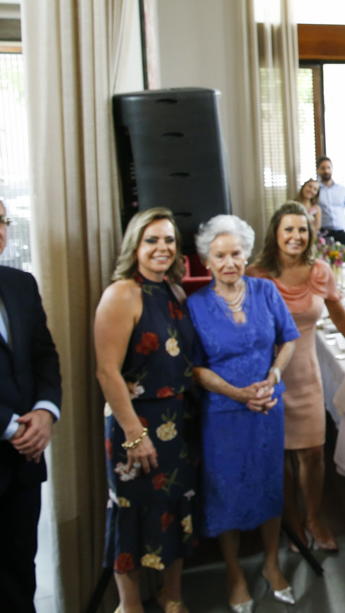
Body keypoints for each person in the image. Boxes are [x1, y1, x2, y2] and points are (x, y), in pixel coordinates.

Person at [247, 201, 345, 555]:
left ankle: (315, 518)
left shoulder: (320, 271)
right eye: (288, 229)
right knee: (281, 459)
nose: (296, 236)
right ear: (275, 233)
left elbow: (338, 313)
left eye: (302, 229)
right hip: (268, 377)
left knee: (314, 455)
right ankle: (293, 523)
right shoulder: (256, 275)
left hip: (307, 375)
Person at [187, 215, 300, 611]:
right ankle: (234, 573)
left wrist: (273, 375)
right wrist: (237, 393)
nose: (229, 262)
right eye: (220, 255)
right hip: (222, 414)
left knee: (270, 484)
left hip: (267, 408)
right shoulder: (195, 305)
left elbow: (289, 340)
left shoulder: (266, 291)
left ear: (246, 254)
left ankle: (271, 563)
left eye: (236, 253)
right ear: (207, 260)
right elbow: (194, 368)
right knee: (226, 492)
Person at [95, 209, 199, 613]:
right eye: (152, 240)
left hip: (176, 420)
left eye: (169, 240)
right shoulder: (122, 294)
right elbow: (107, 372)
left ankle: (172, 597)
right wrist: (134, 435)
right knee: (132, 514)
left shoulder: (174, 291)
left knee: (174, 507)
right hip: (134, 423)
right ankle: (130, 607)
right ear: (134, 246)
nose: (162, 248)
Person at [0, 199, 62, 613]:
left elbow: (44, 355)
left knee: (20, 575)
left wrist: (44, 411)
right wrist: (10, 427)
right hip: (13, 439)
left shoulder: (20, 284)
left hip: (24, 464)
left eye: (1, 220)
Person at [316, 156, 345, 246]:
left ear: (332, 169)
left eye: (328, 167)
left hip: (341, 234)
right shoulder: (315, 190)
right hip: (323, 235)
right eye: (323, 168)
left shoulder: (343, 189)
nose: (326, 171)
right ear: (318, 170)